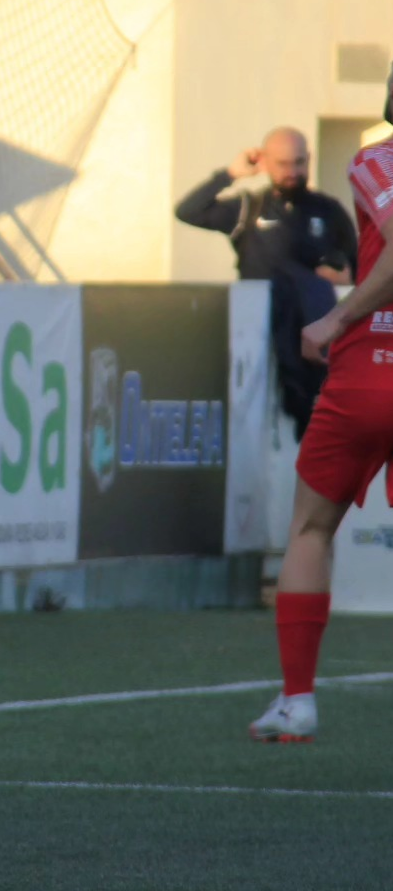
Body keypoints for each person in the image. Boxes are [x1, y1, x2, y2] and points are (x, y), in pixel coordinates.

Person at [248, 128, 393, 743]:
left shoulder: (377, 160)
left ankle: (297, 701)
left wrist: (335, 317)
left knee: (310, 529)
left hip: (369, 371)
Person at [175, 126, 357, 439]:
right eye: (283, 164)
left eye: (299, 162)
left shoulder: (329, 212)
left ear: (309, 159)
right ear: (265, 162)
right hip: (257, 344)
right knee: (256, 435)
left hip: (312, 349)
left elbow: (360, 267)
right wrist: (231, 174)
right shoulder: (248, 209)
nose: (292, 172)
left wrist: (343, 278)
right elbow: (187, 211)